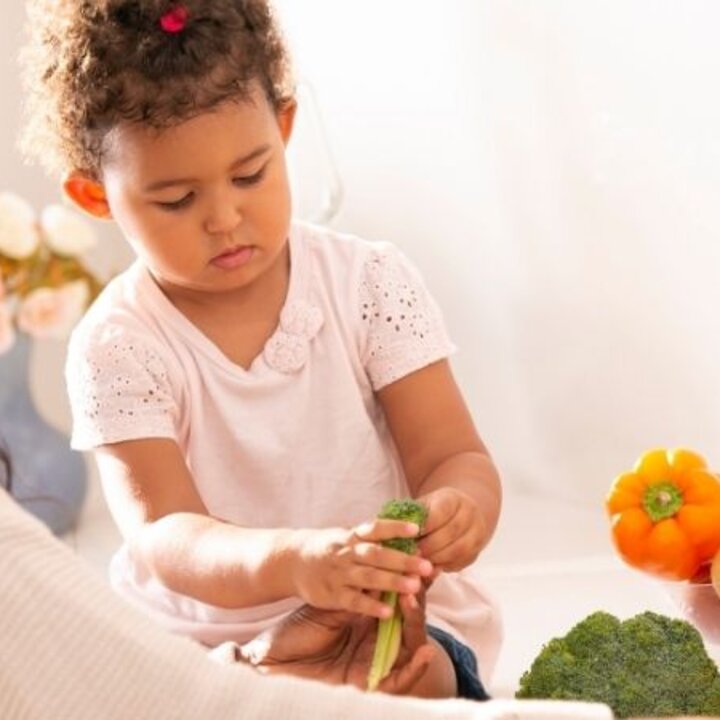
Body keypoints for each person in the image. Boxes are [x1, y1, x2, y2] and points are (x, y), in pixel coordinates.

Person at [19, 0, 503, 699]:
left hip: (381, 619)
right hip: (201, 637)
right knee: (143, 690)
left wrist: (461, 507)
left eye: (250, 175)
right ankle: (254, 680)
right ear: (95, 197)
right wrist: (296, 561)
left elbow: (452, 455)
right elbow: (166, 535)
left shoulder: (367, 281)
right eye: (177, 199)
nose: (224, 218)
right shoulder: (117, 343)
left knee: (417, 677)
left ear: (284, 127)